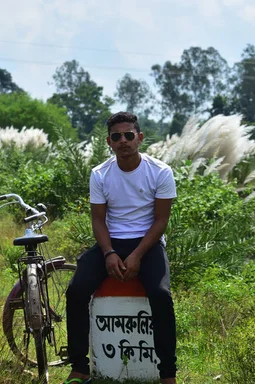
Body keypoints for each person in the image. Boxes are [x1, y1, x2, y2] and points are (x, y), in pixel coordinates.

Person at [63, 112, 178, 384]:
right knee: (76, 291)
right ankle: (80, 367)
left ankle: (168, 374)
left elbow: (161, 220)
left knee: (161, 296)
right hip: (112, 242)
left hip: (147, 243)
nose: (123, 141)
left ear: (139, 138)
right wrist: (108, 253)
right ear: (109, 142)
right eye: (117, 137)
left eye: (129, 135)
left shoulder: (160, 171)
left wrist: (137, 254)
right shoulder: (100, 174)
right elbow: (98, 220)